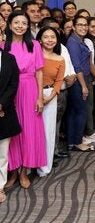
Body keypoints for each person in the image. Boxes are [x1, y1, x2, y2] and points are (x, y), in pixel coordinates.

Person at [2, 11, 47, 189]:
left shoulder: (34, 45)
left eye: (24, 23)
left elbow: (39, 71)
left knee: (29, 131)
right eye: (17, 22)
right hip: (9, 92)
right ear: (9, 24)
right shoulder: (3, 45)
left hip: (29, 90)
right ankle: (12, 172)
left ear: (28, 26)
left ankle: (24, 171)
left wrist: (40, 97)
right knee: (12, 133)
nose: (20, 26)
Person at [36, 27, 65, 177]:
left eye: (52, 37)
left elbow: (59, 82)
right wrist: (39, 95)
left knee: (48, 131)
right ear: (39, 40)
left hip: (50, 96)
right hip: (33, 94)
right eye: (46, 37)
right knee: (33, 131)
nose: (49, 40)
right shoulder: (34, 55)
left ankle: (44, 167)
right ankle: (29, 165)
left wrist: (50, 96)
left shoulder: (60, 59)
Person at [66, 16, 94, 152]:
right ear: (73, 27)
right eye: (80, 25)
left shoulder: (79, 41)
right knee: (81, 112)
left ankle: (73, 141)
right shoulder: (73, 43)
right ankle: (77, 142)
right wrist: (84, 86)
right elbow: (77, 67)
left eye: (85, 25)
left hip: (80, 81)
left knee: (74, 112)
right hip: (79, 82)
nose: (83, 27)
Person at [0, 48, 21, 203]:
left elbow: (13, 85)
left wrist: (1, 104)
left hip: (3, 111)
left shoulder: (9, 59)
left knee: (2, 153)